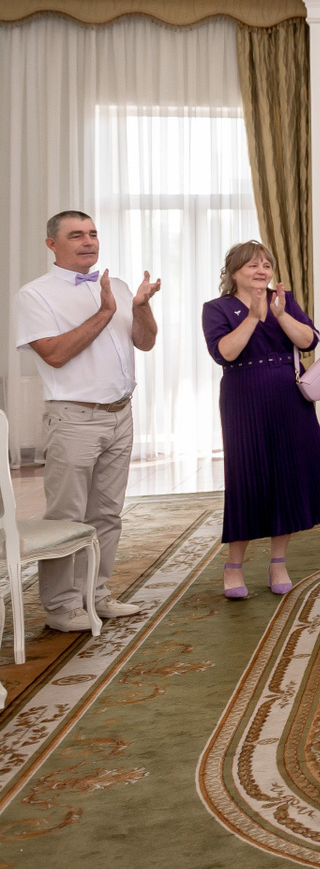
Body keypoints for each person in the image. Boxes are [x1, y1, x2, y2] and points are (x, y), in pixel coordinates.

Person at [12, 212, 157, 632]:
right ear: (52, 244)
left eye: (92, 234)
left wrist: (140, 308)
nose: (88, 241)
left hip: (121, 413)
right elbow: (55, 354)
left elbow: (145, 341)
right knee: (67, 516)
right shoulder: (34, 295)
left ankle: (97, 595)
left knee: (108, 513)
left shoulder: (119, 286)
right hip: (74, 417)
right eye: (76, 235)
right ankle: (61, 607)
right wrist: (105, 312)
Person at [202, 241, 320, 599]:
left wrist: (280, 314)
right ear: (234, 271)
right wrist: (254, 315)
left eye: (266, 265)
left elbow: (309, 341)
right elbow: (226, 353)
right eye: (253, 265)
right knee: (246, 478)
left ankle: (278, 562)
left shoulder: (285, 300)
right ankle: (233, 566)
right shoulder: (216, 308)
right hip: (244, 398)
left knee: (287, 477)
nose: (261, 270)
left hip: (288, 398)